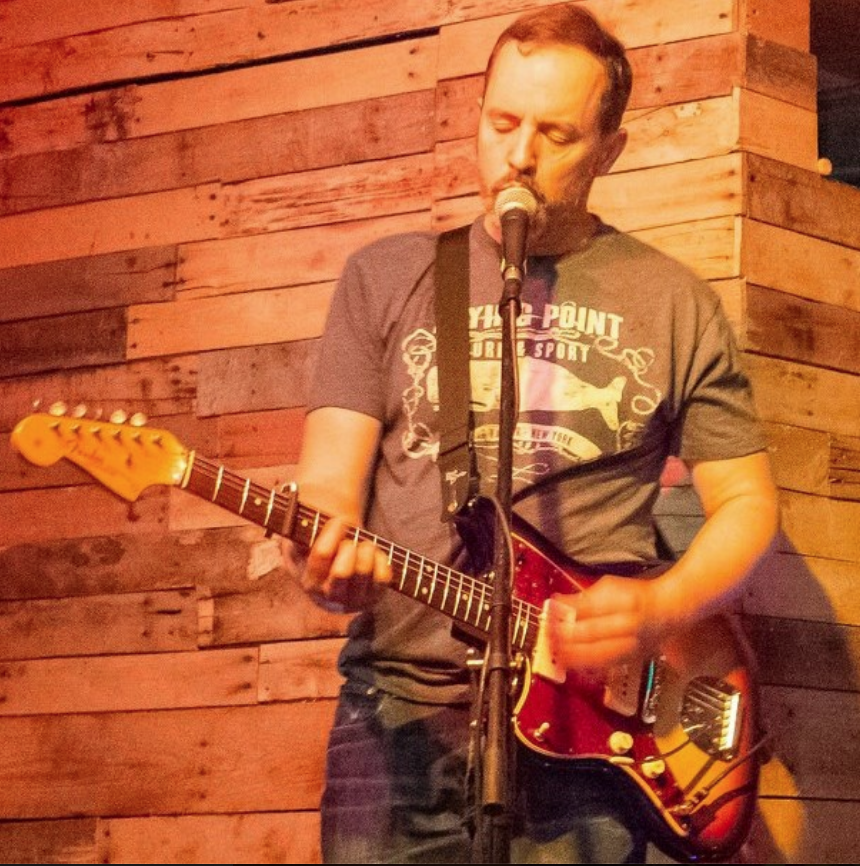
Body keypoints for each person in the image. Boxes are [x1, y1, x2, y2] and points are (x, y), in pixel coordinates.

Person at [287, 3, 780, 863]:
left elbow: (747, 504)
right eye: (502, 123)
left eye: (556, 134)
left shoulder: (673, 301)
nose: (519, 155)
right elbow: (329, 485)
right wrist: (324, 557)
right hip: (400, 717)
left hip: (595, 726)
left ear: (609, 150)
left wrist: (662, 607)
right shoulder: (386, 278)